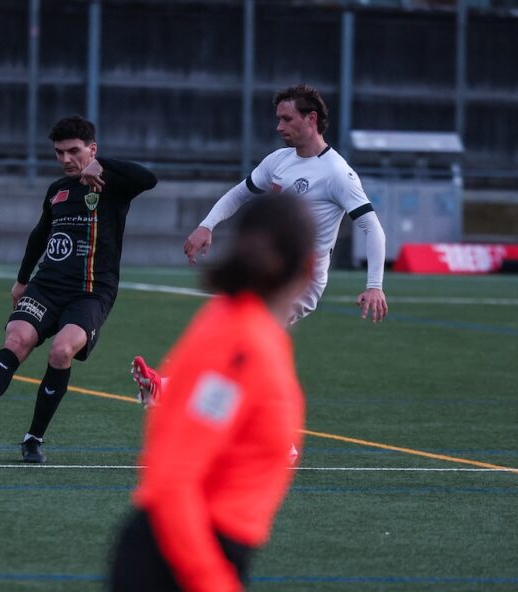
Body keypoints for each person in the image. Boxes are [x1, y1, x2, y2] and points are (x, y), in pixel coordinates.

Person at [109, 193, 315, 592]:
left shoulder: (246, 329)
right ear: (310, 266)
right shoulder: (242, 343)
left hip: (186, 563)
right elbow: (171, 480)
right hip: (177, 570)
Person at [89, 84, 388, 406]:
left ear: (311, 118)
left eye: (287, 119)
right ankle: (180, 391)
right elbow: (240, 193)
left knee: (243, 339)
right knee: (235, 338)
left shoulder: (337, 173)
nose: (279, 126)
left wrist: (374, 285)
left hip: (301, 278)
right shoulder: (279, 160)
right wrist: (207, 225)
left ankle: (177, 391)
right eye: (278, 118)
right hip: (267, 270)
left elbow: (372, 227)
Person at [0, 115, 157, 463]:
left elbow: (150, 178)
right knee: (17, 339)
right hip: (46, 286)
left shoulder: (113, 183)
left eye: (74, 151)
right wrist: (22, 280)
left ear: (92, 149)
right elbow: (40, 233)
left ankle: (33, 439)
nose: (66, 159)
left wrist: (103, 164)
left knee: (61, 350)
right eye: (59, 153)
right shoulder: (57, 190)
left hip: (91, 291)